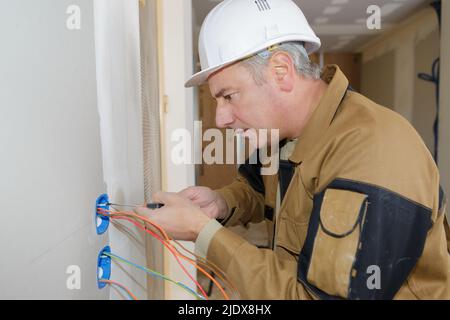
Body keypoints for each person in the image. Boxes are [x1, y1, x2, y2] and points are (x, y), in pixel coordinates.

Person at [136, 0, 450, 299]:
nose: (220, 119)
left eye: (229, 96)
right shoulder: (282, 136)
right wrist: (220, 203)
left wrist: (202, 231)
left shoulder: (371, 150)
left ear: (281, 71)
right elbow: (257, 188)